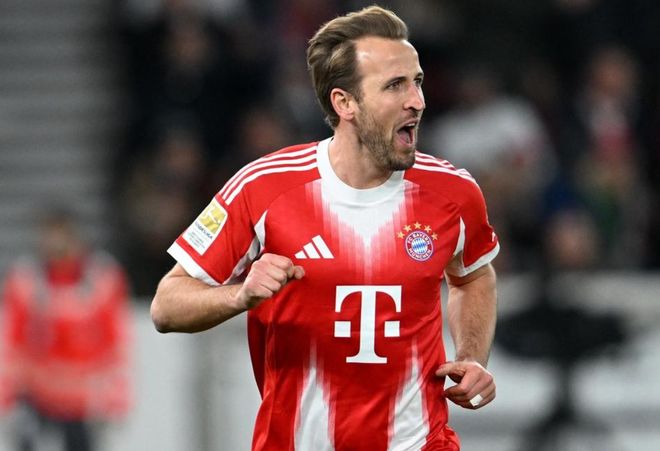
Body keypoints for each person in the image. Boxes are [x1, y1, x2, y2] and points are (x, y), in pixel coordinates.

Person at [151, 5, 499, 450]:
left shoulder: (454, 192)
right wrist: (239, 296)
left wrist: (471, 357)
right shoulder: (263, 187)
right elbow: (166, 305)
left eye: (417, 81)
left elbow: (473, 276)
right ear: (344, 103)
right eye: (395, 85)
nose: (417, 100)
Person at [0, 208, 132, 451]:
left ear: (76, 238)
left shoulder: (101, 280)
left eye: (61, 236)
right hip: (36, 393)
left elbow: (116, 341)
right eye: (49, 236)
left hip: (81, 398)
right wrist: (8, 397)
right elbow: (11, 341)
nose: (55, 245)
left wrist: (114, 398)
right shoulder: (25, 280)